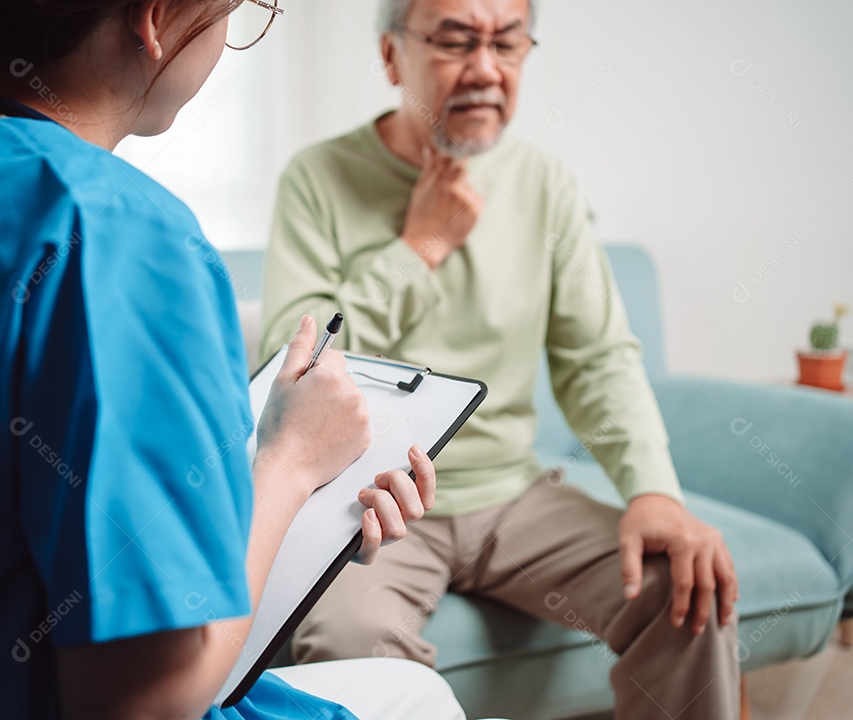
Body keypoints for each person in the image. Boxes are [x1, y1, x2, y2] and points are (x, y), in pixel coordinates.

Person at [0, 1, 467, 718]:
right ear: (157, 18)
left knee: (415, 690)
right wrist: (290, 467)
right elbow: (148, 703)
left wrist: (299, 521)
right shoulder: (118, 234)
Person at [259, 0, 742, 717]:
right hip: (371, 504)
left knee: (684, 585)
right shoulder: (316, 179)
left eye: (508, 43)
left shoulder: (544, 184)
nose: (486, 69)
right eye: (456, 40)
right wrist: (420, 247)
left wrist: (654, 491)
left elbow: (597, 358)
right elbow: (297, 369)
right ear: (392, 57)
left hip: (514, 495)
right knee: (352, 643)